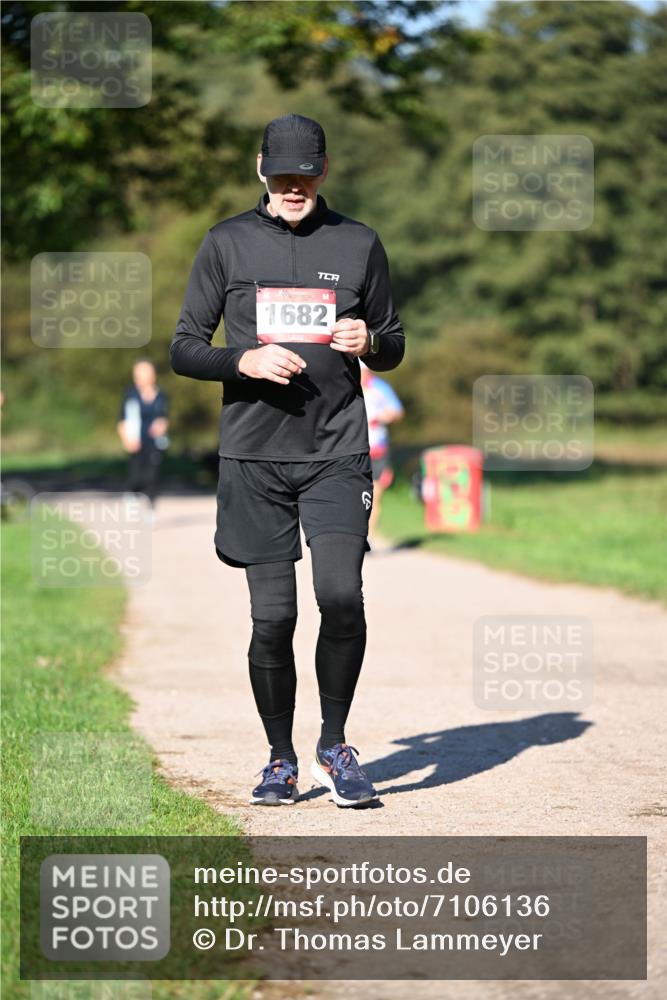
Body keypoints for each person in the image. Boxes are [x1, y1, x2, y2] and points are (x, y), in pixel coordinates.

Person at [170, 113, 405, 807]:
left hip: (336, 450)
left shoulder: (359, 243)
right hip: (253, 458)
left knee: (340, 594)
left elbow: (392, 340)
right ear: (260, 171)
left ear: (323, 171)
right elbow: (184, 346)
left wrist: (369, 339)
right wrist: (238, 359)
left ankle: (335, 744)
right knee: (272, 619)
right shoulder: (226, 243)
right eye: (281, 175)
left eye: (304, 174)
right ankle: (280, 759)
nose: (293, 186)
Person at [359, 361, 404, 543]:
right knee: (352, 494)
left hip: (377, 448)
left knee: (375, 495)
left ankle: (367, 537)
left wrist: (388, 415)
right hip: (352, 449)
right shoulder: (345, 385)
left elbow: (398, 412)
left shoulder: (380, 387)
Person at [117, 360, 169, 505]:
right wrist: (126, 439)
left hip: (155, 441)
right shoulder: (130, 394)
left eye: (145, 373)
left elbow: (164, 417)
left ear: (153, 375)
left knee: (153, 475)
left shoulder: (161, 395)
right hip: (135, 441)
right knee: (136, 475)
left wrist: (161, 426)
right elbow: (122, 420)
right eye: (138, 374)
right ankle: (131, 494)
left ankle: (151, 506)